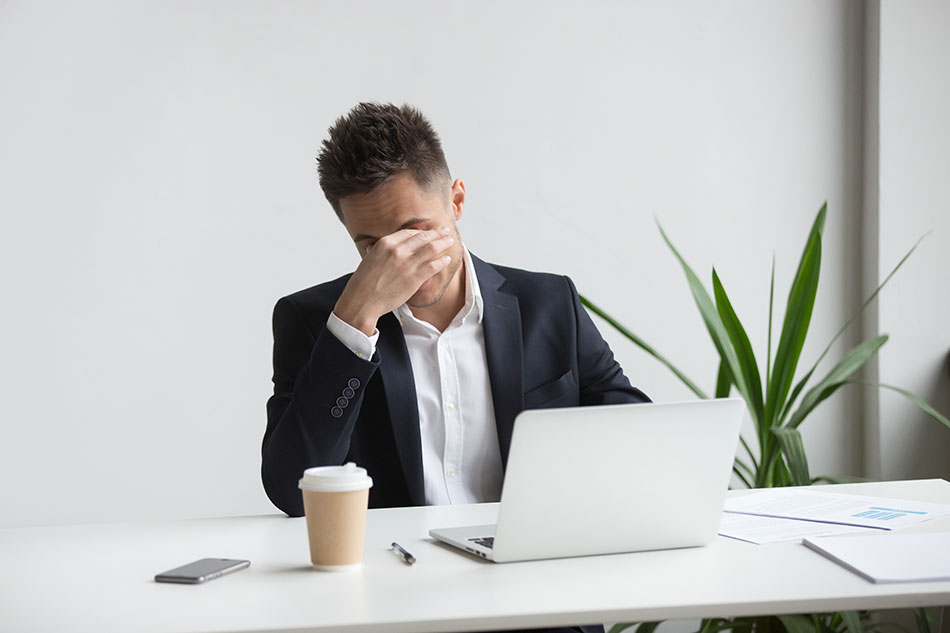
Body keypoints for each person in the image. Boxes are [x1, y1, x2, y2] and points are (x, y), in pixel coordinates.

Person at [262, 100, 648, 514]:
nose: (399, 260)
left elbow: (640, 437)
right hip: (396, 569)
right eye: (372, 247)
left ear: (456, 200)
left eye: (415, 232)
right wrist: (354, 325)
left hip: (530, 561)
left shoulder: (550, 303)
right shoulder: (312, 321)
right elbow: (292, 493)